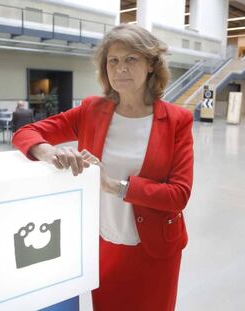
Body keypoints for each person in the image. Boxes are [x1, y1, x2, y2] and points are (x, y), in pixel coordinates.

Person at [12, 24, 194, 311]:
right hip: (105, 244)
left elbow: (178, 195)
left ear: (150, 65)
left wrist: (113, 185)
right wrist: (49, 152)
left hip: (156, 249)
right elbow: (26, 133)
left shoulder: (176, 120)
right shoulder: (91, 111)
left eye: (131, 59)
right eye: (113, 61)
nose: (121, 68)